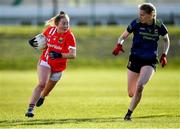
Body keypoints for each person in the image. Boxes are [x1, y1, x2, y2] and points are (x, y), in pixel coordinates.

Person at [112, 3, 170, 121]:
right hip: (135, 59)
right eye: (139, 14)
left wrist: (164, 54)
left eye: (142, 15)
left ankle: (128, 114)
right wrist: (119, 44)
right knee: (131, 93)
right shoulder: (136, 23)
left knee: (140, 86)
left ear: (151, 15)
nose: (140, 17)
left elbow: (166, 40)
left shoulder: (159, 25)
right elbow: (122, 36)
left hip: (150, 61)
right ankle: (135, 99)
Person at [25, 11, 76, 117]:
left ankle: (42, 97)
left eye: (67, 23)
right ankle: (30, 108)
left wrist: (59, 55)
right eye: (64, 23)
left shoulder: (69, 36)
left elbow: (73, 55)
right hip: (46, 61)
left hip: (58, 67)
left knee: (46, 92)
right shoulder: (50, 30)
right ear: (57, 24)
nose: (66, 26)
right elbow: (41, 42)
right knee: (41, 84)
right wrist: (33, 43)